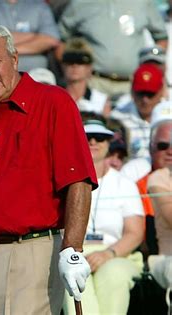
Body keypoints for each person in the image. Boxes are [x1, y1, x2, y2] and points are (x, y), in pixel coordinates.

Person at [0, 23, 97, 314]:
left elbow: (79, 181)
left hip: (30, 253)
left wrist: (72, 249)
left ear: (14, 60)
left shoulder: (54, 103)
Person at [63, 118, 144, 315]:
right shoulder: (63, 180)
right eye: (87, 137)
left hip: (117, 252)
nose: (93, 142)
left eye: (100, 138)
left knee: (114, 274)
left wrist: (108, 254)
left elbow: (135, 233)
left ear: (109, 144)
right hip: (75, 254)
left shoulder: (124, 183)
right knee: (71, 278)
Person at [57, 0, 168, 98]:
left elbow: (161, 38)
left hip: (132, 85)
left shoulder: (142, 2)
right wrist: (70, 72)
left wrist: (149, 72)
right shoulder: (81, 3)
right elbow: (60, 40)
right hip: (94, 83)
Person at [0, 0, 61, 72]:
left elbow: (51, 39)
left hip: (39, 75)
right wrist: (35, 36)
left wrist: (5, 49)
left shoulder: (39, 5)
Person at [111, 63, 166, 161]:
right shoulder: (117, 118)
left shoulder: (169, 116)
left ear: (161, 91)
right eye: (141, 93)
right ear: (132, 90)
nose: (145, 100)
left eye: (150, 94)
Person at [146, 100, 172, 295]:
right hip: (166, 258)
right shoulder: (159, 177)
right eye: (164, 145)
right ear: (151, 147)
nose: (170, 151)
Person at [61, 37, 111, 117]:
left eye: (81, 61)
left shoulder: (101, 100)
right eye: (69, 60)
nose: (75, 65)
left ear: (90, 67)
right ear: (63, 65)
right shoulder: (53, 98)